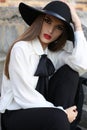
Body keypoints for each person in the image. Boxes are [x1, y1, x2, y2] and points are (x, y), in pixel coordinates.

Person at [0, 0, 87, 130]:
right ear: (39, 20)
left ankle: (63, 123)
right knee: (58, 118)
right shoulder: (21, 49)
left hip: (44, 111)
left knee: (71, 73)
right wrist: (61, 113)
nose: (51, 30)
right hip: (16, 114)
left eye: (59, 27)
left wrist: (77, 25)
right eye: (48, 21)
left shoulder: (52, 54)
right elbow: (23, 96)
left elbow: (80, 64)